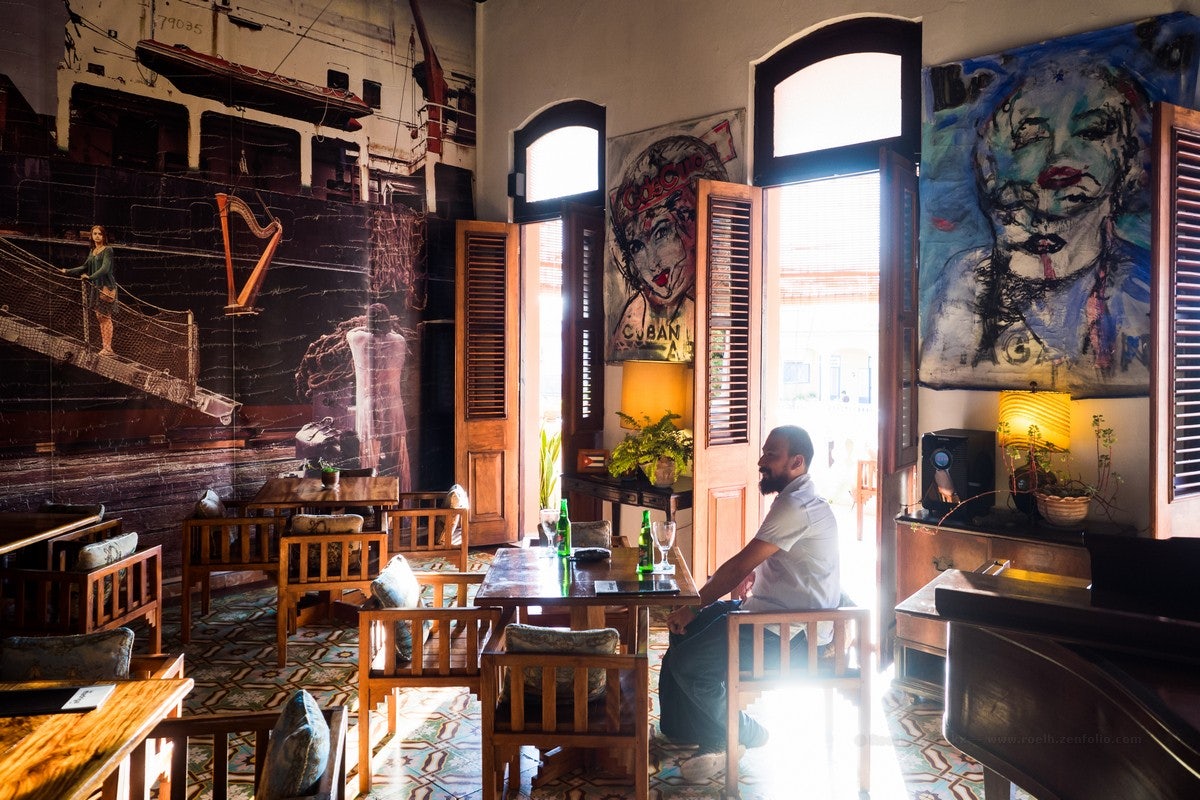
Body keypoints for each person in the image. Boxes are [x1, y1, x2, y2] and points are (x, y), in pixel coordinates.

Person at [920, 62, 1152, 396]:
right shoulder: (969, 279)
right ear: (991, 167)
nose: (1060, 153)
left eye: (1091, 132)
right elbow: (939, 372)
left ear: (1126, 158)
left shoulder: (1146, 285)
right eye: (1032, 135)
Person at [658, 424, 840, 782]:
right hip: (767, 614)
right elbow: (774, 560)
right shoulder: (795, 499)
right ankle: (694, 732)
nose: (761, 461)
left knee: (690, 663)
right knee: (683, 635)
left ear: (797, 462)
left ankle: (747, 733)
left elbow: (741, 561)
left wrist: (693, 604)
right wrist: (755, 575)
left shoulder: (795, 505)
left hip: (789, 633)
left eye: (771, 455)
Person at [607, 135, 730, 362]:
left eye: (661, 233)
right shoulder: (637, 314)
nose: (652, 263)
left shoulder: (719, 303)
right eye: (637, 247)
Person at [347, 303, 412, 490]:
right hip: (393, 405)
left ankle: (367, 497)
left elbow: (349, 332)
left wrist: (363, 325)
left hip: (369, 405)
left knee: (369, 456)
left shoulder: (358, 339)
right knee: (400, 455)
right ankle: (404, 498)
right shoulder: (399, 341)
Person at [62, 224, 117, 356]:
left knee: (105, 317)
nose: (97, 236)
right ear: (92, 236)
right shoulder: (93, 251)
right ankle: (106, 347)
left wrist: (90, 277)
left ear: (103, 236)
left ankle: (108, 348)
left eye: (99, 234)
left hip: (106, 286)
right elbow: (84, 266)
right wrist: (68, 271)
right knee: (100, 317)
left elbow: (105, 269)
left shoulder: (107, 250)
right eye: (95, 234)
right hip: (97, 287)